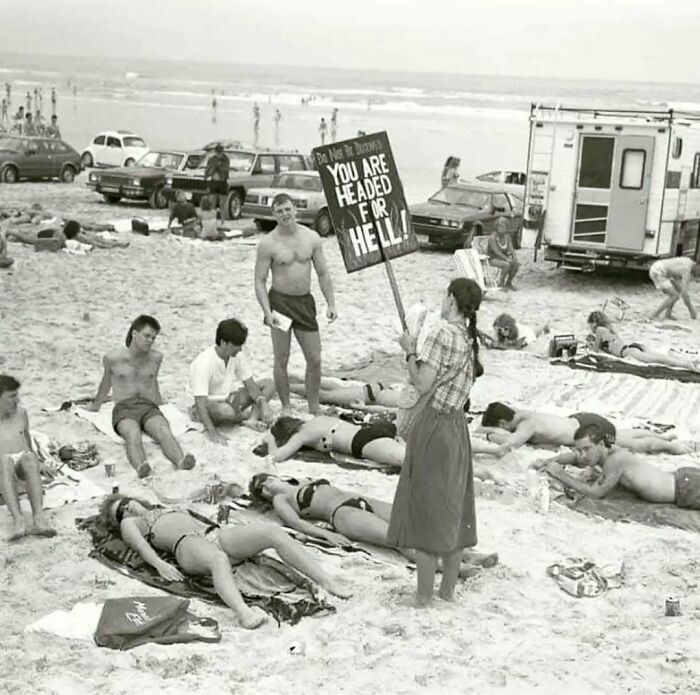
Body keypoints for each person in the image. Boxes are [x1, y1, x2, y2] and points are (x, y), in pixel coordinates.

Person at [99, 493, 352, 630]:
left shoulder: (162, 505)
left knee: (272, 532)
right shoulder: (130, 524)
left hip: (214, 534)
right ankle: (243, 613)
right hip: (185, 545)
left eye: (125, 503)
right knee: (218, 559)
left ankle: (327, 581)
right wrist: (158, 565)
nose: (126, 510)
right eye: (119, 512)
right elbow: (141, 546)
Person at [388, 278, 483, 607]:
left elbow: (423, 382)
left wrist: (409, 350)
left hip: (435, 428)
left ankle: (424, 597)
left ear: (452, 299)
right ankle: (447, 593)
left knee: (426, 510)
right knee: (453, 510)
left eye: (445, 295)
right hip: (457, 427)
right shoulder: (469, 337)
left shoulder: (443, 332)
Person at [249, 473, 498, 575]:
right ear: (265, 497)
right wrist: (326, 536)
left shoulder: (301, 480)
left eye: (266, 480)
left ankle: (468, 556)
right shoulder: (282, 499)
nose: (267, 485)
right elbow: (297, 524)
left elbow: (272, 459)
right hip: (342, 513)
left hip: (360, 500)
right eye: (262, 489)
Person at [254, 193, 337, 415]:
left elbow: (323, 273)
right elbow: (260, 281)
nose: (285, 214)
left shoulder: (311, 238)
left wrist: (331, 303)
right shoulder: (268, 243)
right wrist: (266, 311)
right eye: (280, 211)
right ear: (273, 214)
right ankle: (286, 405)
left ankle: (313, 405)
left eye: (288, 209)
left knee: (315, 358)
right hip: (280, 304)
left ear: (295, 210)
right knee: (282, 358)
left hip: (304, 304)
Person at [88, 315, 196, 478]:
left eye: (153, 337)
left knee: (163, 430)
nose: (150, 341)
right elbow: (105, 384)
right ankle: (141, 467)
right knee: (132, 434)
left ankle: (180, 461)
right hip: (124, 407)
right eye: (147, 336)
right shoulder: (113, 358)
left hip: (147, 405)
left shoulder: (156, 358)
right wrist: (95, 407)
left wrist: (161, 405)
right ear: (134, 333)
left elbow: (152, 381)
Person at [539, 423, 700, 510]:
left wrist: (561, 475)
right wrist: (550, 461)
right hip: (683, 481)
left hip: (686, 489)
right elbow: (575, 458)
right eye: (578, 450)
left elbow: (596, 493)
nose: (582, 455)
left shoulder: (615, 460)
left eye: (586, 449)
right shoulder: (607, 451)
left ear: (601, 444)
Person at [480, 401, 690, 456]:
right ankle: (664, 436)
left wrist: (490, 436)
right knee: (624, 434)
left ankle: (673, 448)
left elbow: (509, 445)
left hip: (588, 428)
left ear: (502, 424)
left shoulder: (526, 425)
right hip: (580, 421)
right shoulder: (519, 414)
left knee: (631, 445)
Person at [190, 319, 275, 444]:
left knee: (269, 384)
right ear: (224, 343)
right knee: (227, 412)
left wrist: (264, 404)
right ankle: (241, 417)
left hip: (229, 398)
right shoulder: (203, 363)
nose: (240, 349)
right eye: (237, 345)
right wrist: (213, 434)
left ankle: (251, 419)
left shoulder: (236, 356)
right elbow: (200, 403)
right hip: (208, 404)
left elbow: (251, 386)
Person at [0, 375, 57, 541]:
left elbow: (26, 440)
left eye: (17, 394)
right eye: (11, 396)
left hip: (18, 463)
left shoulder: (21, 414)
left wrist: (38, 462)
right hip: (1, 467)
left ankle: (39, 517)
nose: (17, 400)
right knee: (4, 461)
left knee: (30, 458)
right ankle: (18, 520)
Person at [587, 311, 700, 371]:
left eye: (590, 325)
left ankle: (687, 365)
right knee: (659, 357)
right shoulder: (609, 329)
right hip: (632, 347)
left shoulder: (599, 330)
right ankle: (688, 362)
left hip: (627, 352)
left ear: (594, 323)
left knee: (659, 360)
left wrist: (590, 343)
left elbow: (596, 351)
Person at [479, 313, 548, 350]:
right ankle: (544, 326)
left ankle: (545, 325)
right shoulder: (499, 330)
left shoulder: (521, 332)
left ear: (511, 327)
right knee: (535, 330)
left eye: (506, 329)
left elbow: (516, 348)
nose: (503, 332)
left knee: (534, 336)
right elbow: (496, 341)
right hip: (526, 330)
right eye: (500, 330)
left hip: (527, 337)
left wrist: (499, 345)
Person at [487, 217, 519, 290]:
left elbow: (511, 249)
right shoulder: (492, 237)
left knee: (516, 264)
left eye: (504, 226)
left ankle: (509, 282)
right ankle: (501, 284)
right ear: (496, 227)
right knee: (506, 265)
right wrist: (506, 259)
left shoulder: (507, 237)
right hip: (493, 259)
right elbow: (496, 251)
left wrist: (514, 257)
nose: (502, 228)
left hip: (504, 258)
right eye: (500, 226)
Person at [204, 144, 229, 216]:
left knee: (222, 203)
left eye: (220, 152)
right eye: (218, 152)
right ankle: (212, 217)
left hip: (222, 182)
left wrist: (217, 167)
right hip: (213, 181)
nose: (219, 154)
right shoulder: (211, 159)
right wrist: (207, 175)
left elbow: (225, 170)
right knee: (212, 201)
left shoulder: (226, 159)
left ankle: (222, 220)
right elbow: (208, 170)